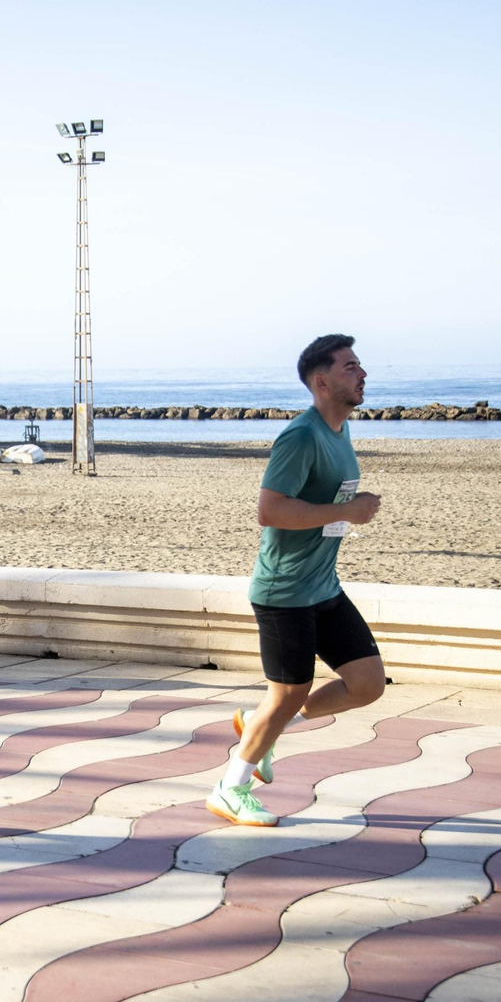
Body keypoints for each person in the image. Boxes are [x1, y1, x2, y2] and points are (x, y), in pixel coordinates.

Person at [207, 333, 387, 826]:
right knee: (287, 694)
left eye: (360, 365)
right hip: (285, 591)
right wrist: (347, 510)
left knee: (367, 684)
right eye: (350, 367)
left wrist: (346, 510)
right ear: (321, 382)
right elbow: (270, 511)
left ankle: (261, 726)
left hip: (323, 586)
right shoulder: (302, 436)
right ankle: (230, 787)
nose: (363, 374)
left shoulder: (338, 431)